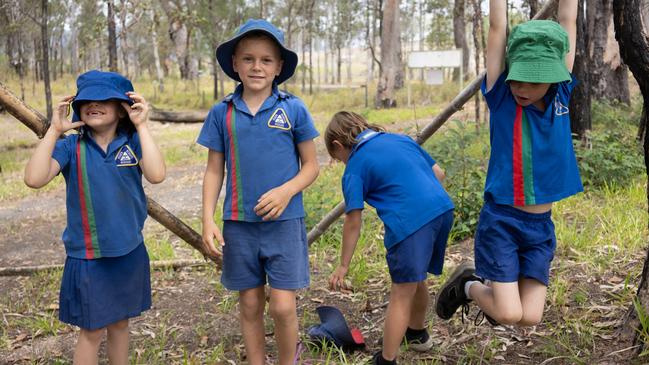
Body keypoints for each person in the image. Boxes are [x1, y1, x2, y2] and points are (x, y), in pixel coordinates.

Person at [435, 0, 580, 327]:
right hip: (502, 221)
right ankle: (469, 285)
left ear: (554, 76)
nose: (521, 87)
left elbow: (568, 19)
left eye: (532, 80)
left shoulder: (561, 95)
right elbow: (497, 27)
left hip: (541, 228)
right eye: (517, 78)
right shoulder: (502, 98)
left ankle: (479, 286)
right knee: (509, 314)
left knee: (529, 317)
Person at [197, 19, 319, 365]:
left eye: (266, 60)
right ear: (234, 63)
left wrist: (285, 191)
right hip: (239, 223)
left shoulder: (292, 108)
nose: (257, 66)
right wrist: (207, 219)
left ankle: (287, 360)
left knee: (282, 305)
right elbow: (213, 170)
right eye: (248, 59)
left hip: (284, 222)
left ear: (279, 67)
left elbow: (311, 166)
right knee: (249, 302)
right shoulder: (222, 112)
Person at [24, 70, 166, 364]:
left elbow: (157, 174)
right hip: (89, 256)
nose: (93, 103)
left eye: (104, 98)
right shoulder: (71, 147)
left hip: (129, 251)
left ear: (122, 108)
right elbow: (34, 178)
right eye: (86, 99)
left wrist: (142, 127)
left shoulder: (132, 143)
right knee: (91, 330)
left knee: (120, 324)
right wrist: (53, 130)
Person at [325, 111, 454, 365]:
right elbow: (439, 173)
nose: (341, 162)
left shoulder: (355, 167)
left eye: (337, 158)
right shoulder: (401, 139)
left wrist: (343, 265)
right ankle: (417, 334)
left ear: (338, 146)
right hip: (442, 210)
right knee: (416, 279)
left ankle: (386, 360)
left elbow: (353, 220)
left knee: (401, 292)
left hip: (410, 223)